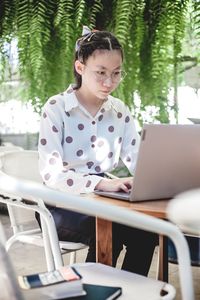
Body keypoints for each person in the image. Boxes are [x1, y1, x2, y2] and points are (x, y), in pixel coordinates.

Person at [37, 26, 158, 276]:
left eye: (116, 73)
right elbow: (52, 176)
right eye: (101, 72)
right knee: (111, 229)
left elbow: (139, 161)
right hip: (60, 203)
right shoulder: (56, 108)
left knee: (147, 230)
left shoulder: (119, 110)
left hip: (103, 201)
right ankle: (95, 292)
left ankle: (127, 291)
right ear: (80, 68)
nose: (109, 82)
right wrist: (101, 185)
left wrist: (155, 179)